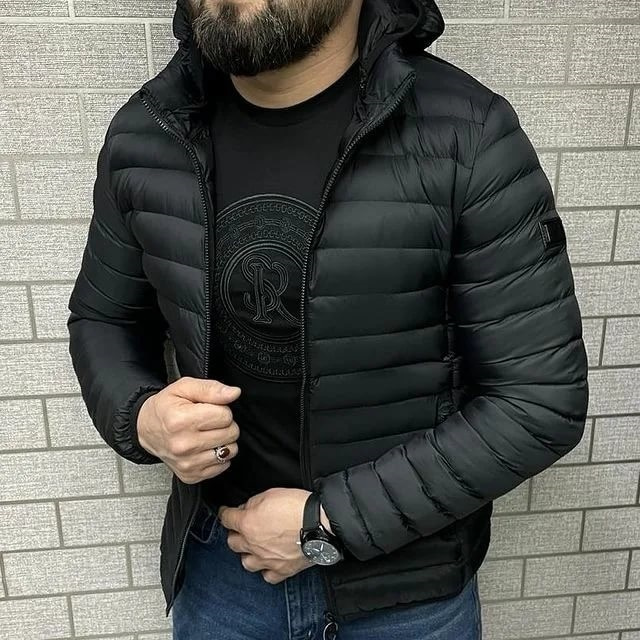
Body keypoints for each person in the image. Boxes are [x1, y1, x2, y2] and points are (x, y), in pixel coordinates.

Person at [66, 0, 589, 638]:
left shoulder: (467, 135)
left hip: (406, 593)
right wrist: (141, 415)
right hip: (222, 573)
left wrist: (328, 522)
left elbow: (538, 400)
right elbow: (102, 318)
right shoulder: (148, 133)